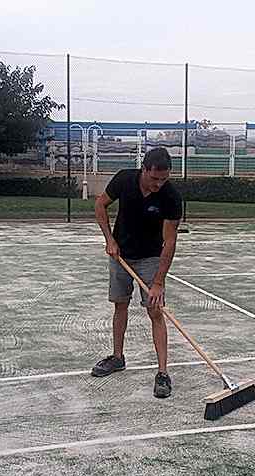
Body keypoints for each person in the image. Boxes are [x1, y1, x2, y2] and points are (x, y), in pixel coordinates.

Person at [92, 147, 183, 398]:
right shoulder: (124, 179)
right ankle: (117, 357)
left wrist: (158, 282)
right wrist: (109, 240)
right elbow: (100, 205)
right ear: (144, 169)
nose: (159, 184)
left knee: (155, 310)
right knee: (120, 305)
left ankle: (163, 373)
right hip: (121, 254)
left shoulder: (171, 197)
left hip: (151, 257)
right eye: (154, 178)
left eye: (164, 179)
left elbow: (170, 243)